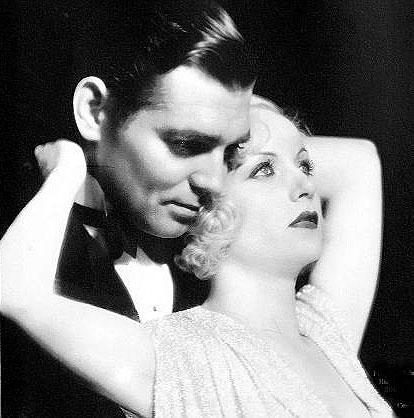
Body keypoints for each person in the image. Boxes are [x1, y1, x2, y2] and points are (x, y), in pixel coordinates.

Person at [1, 99, 395, 417]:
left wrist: (237, 119)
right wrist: (68, 168)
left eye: (305, 165)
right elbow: (14, 290)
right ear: (207, 210)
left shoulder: (327, 333)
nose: (306, 185)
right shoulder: (175, 354)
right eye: (264, 170)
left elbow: (359, 162)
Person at [3, 0, 256, 416]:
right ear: (94, 112)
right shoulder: (17, 239)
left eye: (232, 152)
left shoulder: (223, 266)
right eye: (186, 144)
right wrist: (67, 173)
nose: (214, 182)